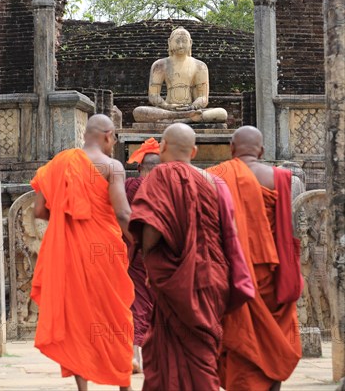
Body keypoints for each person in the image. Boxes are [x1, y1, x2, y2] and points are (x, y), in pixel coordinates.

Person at [30, 114, 135, 391]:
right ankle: (124, 383)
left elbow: (39, 211)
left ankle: (83, 387)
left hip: (71, 253)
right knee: (115, 314)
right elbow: (123, 213)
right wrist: (139, 244)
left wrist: (69, 218)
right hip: (105, 252)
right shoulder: (112, 166)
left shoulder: (58, 165)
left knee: (77, 317)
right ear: (109, 135)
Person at [128, 123, 233, 390]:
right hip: (210, 275)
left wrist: (150, 260)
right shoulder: (214, 181)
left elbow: (151, 230)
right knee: (203, 353)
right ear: (194, 151)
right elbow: (226, 230)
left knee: (166, 354)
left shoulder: (159, 176)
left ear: (162, 148)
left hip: (174, 279)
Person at [207, 126, 303, 391]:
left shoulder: (215, 176)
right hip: (273, 275)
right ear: (261, 151)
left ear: (231, 148)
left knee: (241, 335)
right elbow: (289, 230)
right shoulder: (284, 179)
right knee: (274, 338)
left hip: (233, 275)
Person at [133, 27, 227, 124]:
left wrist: (192, 107)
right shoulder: (160, 65)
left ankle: (179, 118)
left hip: (191, 109)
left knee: (222, 113)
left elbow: (203, 98)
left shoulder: (200, 66)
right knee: (139, 112)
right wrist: (166, 106)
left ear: (190, 43)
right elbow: (153, 96)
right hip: (167, 109)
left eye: (184, 41)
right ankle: (187, 119)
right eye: (177, 41)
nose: (181, 45)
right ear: (169, 42)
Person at [125, 138, 161, 374]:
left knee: (138, 303)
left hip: (133, 250)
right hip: (160, 253)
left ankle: (137, 353)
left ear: (139, 168)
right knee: (155, 305)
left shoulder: (129, 185)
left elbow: (120, 214)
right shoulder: (166, 188)